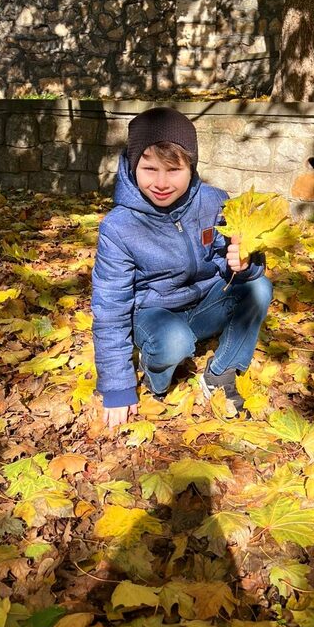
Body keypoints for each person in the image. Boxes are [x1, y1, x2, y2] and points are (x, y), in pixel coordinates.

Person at [91, 106, 273, 430]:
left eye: (173, 169)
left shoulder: (215, 201)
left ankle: (221, 375)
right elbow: (110, 309)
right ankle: (155, 378)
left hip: (204, 304)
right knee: (174, 340)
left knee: (259, 287)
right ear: (133, 167)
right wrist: (117, 386)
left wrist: (245, 264)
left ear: (191, 166)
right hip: (153, 315)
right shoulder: (118, 227)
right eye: (149, 169)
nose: (161, 182)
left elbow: (234, 261)